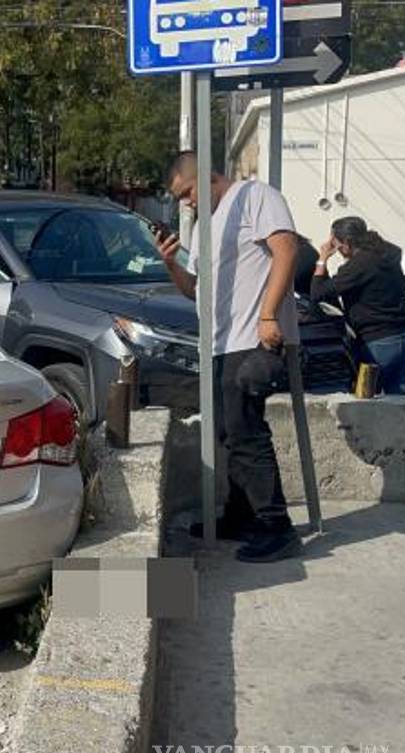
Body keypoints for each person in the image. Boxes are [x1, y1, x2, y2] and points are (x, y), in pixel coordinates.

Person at [155, 151, 303, 563]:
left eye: (188, 192)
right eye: (181, 198)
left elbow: (287, 250)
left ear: (207, 175)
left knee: (245, 433)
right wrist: (170, 264)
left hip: (253, 338)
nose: (187, 203)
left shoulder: (255, 196)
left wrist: (268, 315)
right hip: (220, 344)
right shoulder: (205, 226)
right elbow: (195, 290)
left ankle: (277, 527)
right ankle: (242, 515)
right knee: (226, 433)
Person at [311, 218, 405, 395]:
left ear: (347, 243)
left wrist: (322, 258)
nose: (336, 249)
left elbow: (318, 292)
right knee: (398, 398)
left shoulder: (359, 266)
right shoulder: (385, 253)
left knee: (365, 397)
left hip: (378, 340)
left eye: (336, 244)